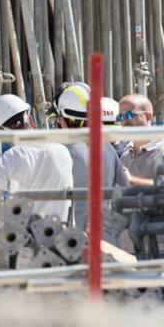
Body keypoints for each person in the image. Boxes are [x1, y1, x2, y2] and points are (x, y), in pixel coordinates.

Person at [0, 94, 73, 220]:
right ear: (31, 120)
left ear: (3, 132)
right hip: (65, 234)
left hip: (28, 236)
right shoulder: (62, 150)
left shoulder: (10, 159)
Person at [53, 84, 128, 229]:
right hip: (106, 236)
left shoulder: (57, 151)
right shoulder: (107, 147)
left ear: (63, 118)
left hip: (71, 241)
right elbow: (124, 190)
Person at [118, 94, 164, 186]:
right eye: (121, 117)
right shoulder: (126, 154)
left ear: (147, 116)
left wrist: (131, 180)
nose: (124, 121)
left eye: (130, 115)